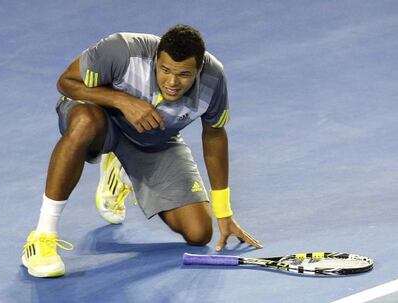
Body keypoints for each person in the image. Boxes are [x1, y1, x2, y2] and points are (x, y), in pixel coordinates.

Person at [22, 24, 262, 278]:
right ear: (156, 57)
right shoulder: (122, 50)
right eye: (165, 69)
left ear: (199, 69)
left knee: (199, 233)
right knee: (85, 122)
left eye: (183, 74)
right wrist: (123, 101)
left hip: (153, 139)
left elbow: (214, 136)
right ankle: (42, 236)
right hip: (101, 119)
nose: (171, 82)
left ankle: (118, 169)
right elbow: (66, 82)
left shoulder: (214, 79)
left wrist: (224, 212)